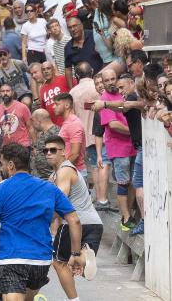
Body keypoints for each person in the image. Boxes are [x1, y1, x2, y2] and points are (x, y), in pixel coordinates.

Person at [0, 144, 86, 301]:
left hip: (11, 259)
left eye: (2, 164)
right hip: (40, 261)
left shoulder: (1, 188)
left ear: (11, 165)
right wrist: (75, 253)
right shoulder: (49, 188)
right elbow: (74, 220)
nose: (1, 168)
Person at [44, 135, 102, 300]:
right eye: (46, 150)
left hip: (74, 223)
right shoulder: (55, 175)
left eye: (53, 150)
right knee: (73, 262)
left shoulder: (64, 171)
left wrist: (41, 222)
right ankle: (84, 256)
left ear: (63, 152)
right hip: (95, 223)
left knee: (58, 262)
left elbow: (60, 202)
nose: (48, 153)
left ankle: (73, 299)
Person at [97, 69, 137, 230]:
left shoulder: (123, 93)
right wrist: (134, 131)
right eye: (107, 80)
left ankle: (130, 214)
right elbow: (113, 125)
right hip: (118, 147)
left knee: (135, 182)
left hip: (133, 145)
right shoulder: (104, 99)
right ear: (103, 82)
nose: (111, 82)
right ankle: (125, 217)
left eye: (113, 78)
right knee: (123, 183)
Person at [64, 17, 103, 88]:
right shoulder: (68, 47)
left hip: (102, 80)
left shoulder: (94, 35)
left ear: (81, 26)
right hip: (84, 86)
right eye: (70, 28)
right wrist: (71, 89)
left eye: (75, 26)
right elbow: (68, 70)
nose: (73, 29)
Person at [53, 93, 86, 176]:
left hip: (75, 172)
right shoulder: (68, 122)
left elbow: (75, 154)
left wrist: (61, 170)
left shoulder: (73, 123)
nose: (53, 107)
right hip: (69, 171)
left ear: (67, 105)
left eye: (57, 104)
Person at [30, 109, 58, 179]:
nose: (32, 124)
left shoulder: (55, 133)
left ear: (38, 121)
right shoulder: (42, 133)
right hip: (39, 177)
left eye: (33, 121)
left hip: (49, 178)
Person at [39, 62, 70, 126]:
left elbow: (76, 89)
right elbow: (44, 109)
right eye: (43, 70)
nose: (46, 71)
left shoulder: (63, 79)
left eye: (48, 68)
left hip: (69, 121)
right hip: (56, 127)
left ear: (53, 69)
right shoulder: (42, 89)